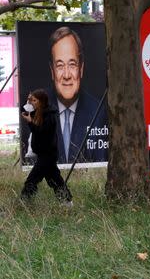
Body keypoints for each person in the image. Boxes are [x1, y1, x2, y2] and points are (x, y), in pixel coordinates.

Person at [48, 26, 108, 163]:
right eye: (60, 66)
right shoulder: (36, 110)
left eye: (72, 64)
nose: (67, 75)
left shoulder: (98, 113)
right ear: (52, 70)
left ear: (81, 69)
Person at [20, 88, 72, 203]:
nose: (32, 103)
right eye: (31, 100)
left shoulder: (50, 116)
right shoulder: (38, 111)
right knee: (54, 180)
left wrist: (30, 122)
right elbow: (23, 110)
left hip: (48, 154)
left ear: (41, 101)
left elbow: (41, 132)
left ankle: (23, 202)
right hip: (43, 154)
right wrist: (27, 101)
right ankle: (67, 201)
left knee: (32, 179)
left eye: (34, 100)